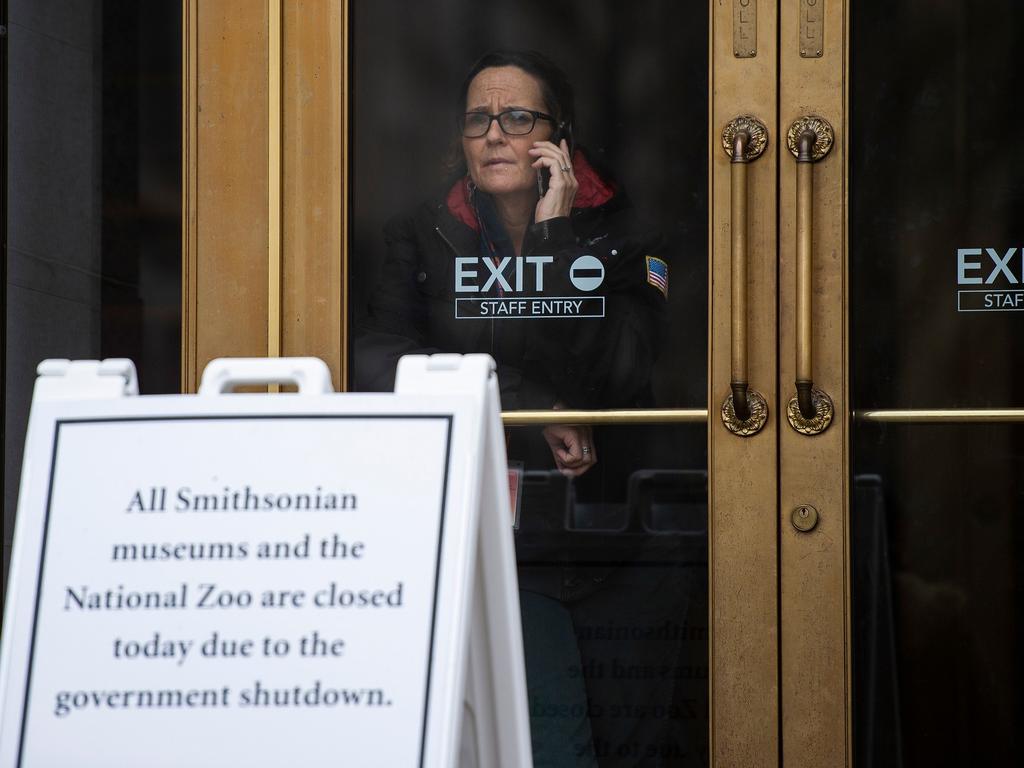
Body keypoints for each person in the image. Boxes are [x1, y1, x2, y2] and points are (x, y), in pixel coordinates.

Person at [355, 50, 677, 767]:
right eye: (479, 119)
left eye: (517, 117)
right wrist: (532, 404)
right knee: (553, 749)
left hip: (618, 539)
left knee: (637, 750)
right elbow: (382, 364)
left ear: (559, 138)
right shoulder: (422, 236)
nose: (495, 133)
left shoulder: (628, 237)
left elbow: (624, 366)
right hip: (497, 545)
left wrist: (556, 242)